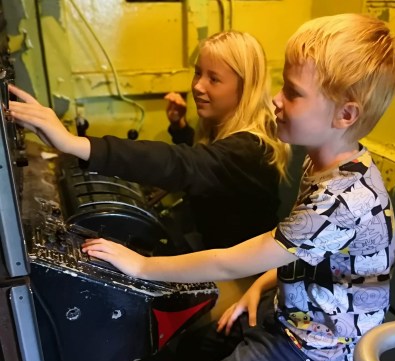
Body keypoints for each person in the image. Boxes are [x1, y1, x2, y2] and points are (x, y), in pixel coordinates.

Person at [11, 13, 395, 361]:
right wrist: (263, 285)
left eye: (293, 92)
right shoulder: (327, 163)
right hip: (294, 311)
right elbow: (316, 253)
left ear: (345, 114)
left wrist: (141, 265)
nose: (276, 99)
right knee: (191, 352)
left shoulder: (341, 197)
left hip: (320, 350)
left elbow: (230, 259)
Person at [9, 30, 290, 250]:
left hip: (238, 270)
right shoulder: (232, 132)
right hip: (214, 244)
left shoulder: (252, 147)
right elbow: (210, 166)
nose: (198, 86)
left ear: (245, 88)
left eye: (213, 79)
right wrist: (180, 129)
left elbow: (185, 164)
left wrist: (73, 143)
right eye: (198, 72)